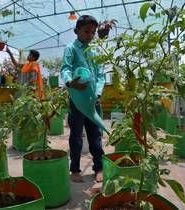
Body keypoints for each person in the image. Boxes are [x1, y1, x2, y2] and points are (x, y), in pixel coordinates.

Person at [61, 15, 105, 183]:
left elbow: (100, 75)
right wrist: (70, 82)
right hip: (78, 101)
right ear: (76, 31)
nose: (90, 35)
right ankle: (75, 170)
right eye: (87, 31)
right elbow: (65, 68)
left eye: (93, 32)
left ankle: (99, 168)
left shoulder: (94, 51)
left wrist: (98, 93)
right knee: (76, 136)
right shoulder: (71, 48)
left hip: (93, 101)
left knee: (95, 136)